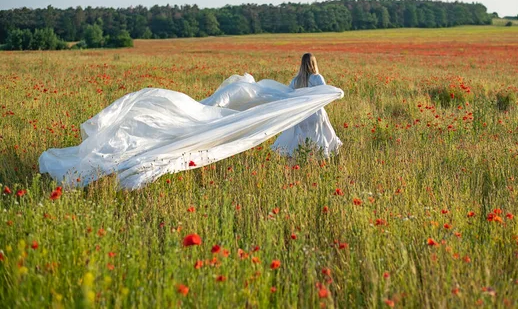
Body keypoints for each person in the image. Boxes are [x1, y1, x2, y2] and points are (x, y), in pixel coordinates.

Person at [39, 57, 344, 190]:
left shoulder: (288, 81)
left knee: (301, 143)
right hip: (305, 115)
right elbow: (313, 93)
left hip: (293, 114)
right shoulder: (311, 79)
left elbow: (290, 95)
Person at [271, 53, 342, 157]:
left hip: (301, 115)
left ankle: (299, 157)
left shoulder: (295, 80)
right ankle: (317, 160)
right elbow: (325, 92)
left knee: (300, 137)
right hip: (316, 113)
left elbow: (289, 97)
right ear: (314, 63)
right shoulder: (317, 78)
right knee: (318, 137)